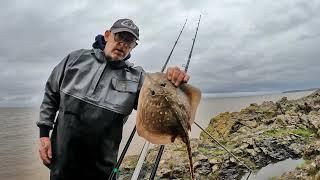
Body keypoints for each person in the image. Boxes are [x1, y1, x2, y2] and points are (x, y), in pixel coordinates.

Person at [36, 18, 190, 180]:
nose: (123, 44)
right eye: (119, 37)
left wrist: (175, 81)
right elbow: (51, 95)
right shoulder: (75, 59)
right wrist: (44, 133)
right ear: (107, 35)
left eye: (129, 41)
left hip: (102, 169)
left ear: (133, 47)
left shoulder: (138, 78)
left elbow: (160, 99)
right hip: (62, 160)